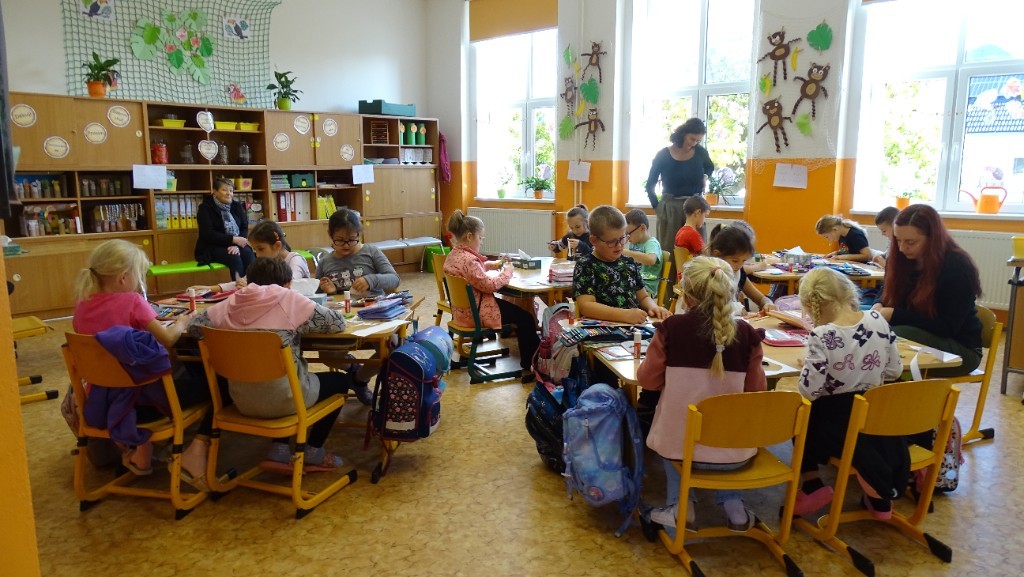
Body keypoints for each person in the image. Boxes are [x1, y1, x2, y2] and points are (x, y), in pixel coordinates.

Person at [188, 257, 361, 473]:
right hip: (286, 399)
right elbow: (337, 322)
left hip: (241, 399)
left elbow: (194, 327)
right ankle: (313, 450)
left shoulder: (232, 302)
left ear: (250, 281)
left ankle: (279, 450)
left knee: (284, 377)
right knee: (339, 381)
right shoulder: (288, 298)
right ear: (288, 283)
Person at [638, 256, 767, 533]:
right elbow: (757, 390)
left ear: (686, 296)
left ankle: (680, 507)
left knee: (678, 428)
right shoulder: (748, 334)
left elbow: (647, 381)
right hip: (736, 454)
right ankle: (734, 508)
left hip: (680, 450)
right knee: (722, 428)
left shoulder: (671, 329)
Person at [72, 239, 210, 486]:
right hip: (145, 401)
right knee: (214, 383)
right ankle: (195, 450)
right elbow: (168, 339)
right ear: (124, 277)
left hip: (101, 401)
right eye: (139, 275)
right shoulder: (133, 302)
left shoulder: (81, 306)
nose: (140, 282)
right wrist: (183, 322)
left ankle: (142, 450)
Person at [794, 267, 906, 519]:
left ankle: (812, 486)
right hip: (873, 417)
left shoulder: (822, 335)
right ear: (849, 292)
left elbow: (809, 391)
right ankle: (878, 501)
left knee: (800, 419)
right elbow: (894, 370)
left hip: (836, 423)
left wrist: (809, 369)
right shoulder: (877, 319)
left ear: (811, 305)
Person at [873, 204, 983, 377]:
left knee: (894, 335)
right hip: (918, 335)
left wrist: (895, 314)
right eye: (898, 240)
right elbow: (885, 291)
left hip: (960, 351)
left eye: (910, 242)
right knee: (861, 320)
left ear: (933, 238)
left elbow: (947, 327)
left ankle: (896, 388)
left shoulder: (957, 266)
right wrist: (878, 304)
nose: (902, 248)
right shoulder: (901, 259)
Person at [443, 210, 539, 381]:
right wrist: (507, 271)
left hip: (461, 312)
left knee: (519, 314)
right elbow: (490, 285)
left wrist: (488, 265)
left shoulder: (454, 255)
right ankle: (530, 364)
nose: (481, 242)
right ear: (470, 236)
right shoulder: (470, 260)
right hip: (477, 313)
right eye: (480, 238)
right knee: (526, 319)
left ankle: (532, 358)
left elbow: (472, 273)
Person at [572, 205, 672, 323]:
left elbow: (643, 297)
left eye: (622, 238)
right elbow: (586, 306)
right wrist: (624, 315)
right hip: (601, 327)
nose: (619, 245)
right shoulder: (586, 265)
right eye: (612, 241)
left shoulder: (628, 262)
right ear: (594, 241)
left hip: (632, 327)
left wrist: (654, 307)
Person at [646, 118, 714, 250]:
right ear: (683, 133)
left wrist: (705, 177)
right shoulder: (663, 155)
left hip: (695, 207)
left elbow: (710, 167)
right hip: (671, 207)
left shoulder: (700, 152)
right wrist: (658, 207)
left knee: (697, 250)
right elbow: (650, 184)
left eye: (698, 141)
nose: (694, 143)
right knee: (669, 248)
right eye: (692, 139)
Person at [316, 208, 400, 297]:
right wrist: (329, 291)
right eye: (340, 240)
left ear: (359, 235)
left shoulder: (371, 252)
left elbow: (395, 279)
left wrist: (370, 280)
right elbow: (315, 294)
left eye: (351, 239)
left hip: (373, 303)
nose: (346, 245)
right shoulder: (324, 262)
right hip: (340, 305)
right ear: (331, 236)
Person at [195, 178, 255, 281]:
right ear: (215, 191)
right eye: (224, 190)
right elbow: (208, 234)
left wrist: (237, 244)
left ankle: (255, 286)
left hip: (236, 244)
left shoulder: (236, 206)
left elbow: (244, 226)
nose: (229, 193)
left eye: (231, 191)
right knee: (234, 257)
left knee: (248, 254)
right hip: (212, 247)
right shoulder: (205, 208)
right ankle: (240, 288)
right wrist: (233, 240)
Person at [706, 224, 777, 312]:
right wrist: (738, 309)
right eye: (735, 261)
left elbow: (760, 298)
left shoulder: (738, 272)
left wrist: (768, 303)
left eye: (743, 261)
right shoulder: (707, 275)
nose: (739, 266)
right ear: (717, 255)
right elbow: (713, 308)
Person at [623, 209, 662, 296]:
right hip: (634, 282)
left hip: (646, 287)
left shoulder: (652, 243)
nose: (627, 238)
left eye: (629, 233)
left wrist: (624, 252)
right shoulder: (634, 243)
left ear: (642, 228)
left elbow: (651, 260)